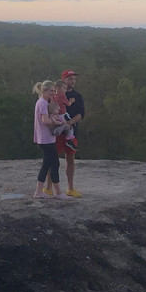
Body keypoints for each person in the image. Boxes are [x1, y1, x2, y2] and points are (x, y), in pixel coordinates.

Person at [32, 81, 71, 200]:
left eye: (54, 91)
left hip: (44, 138)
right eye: (51, 91)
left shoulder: (42, 102)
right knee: (52, 163)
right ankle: (55, 192)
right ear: (44, 91)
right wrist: (58, 122)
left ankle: (44, 191)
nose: (53, 93)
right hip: (46, 139)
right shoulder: (43, 103)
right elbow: (45, 121)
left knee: (50, 163)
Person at [60, 69, 85, 198]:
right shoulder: (56, 95)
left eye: (74, 79)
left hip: (71, 132)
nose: (72, 81)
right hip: (57, 132)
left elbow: (81, 114)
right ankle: (48, 188)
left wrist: (69, 123)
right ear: (63, 79)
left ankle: (70, 188)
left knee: (70, 159)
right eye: (70, 78)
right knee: (51, 158)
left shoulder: (78, 96)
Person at [50, 79, 78, 152]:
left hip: (56, 114)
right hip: (63, 114)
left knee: (61, 124)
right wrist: (71, 101)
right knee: (71, 125)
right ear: (58, 89)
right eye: (64, 88)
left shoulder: (53, 96)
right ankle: (69, 139)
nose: (65, 90)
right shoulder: (62, 96)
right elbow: (68, 104)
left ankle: (59, 129)